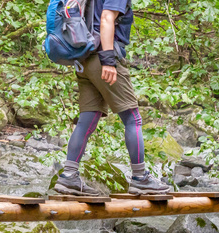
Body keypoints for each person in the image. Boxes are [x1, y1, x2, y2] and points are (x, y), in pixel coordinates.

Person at [54, 0, 171, 195]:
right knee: (132, 118)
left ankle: (68, 177)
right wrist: (108, 61)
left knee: (87, 120)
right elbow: (107, 18)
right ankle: (140, 178)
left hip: (84, 60)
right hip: (102, 58)